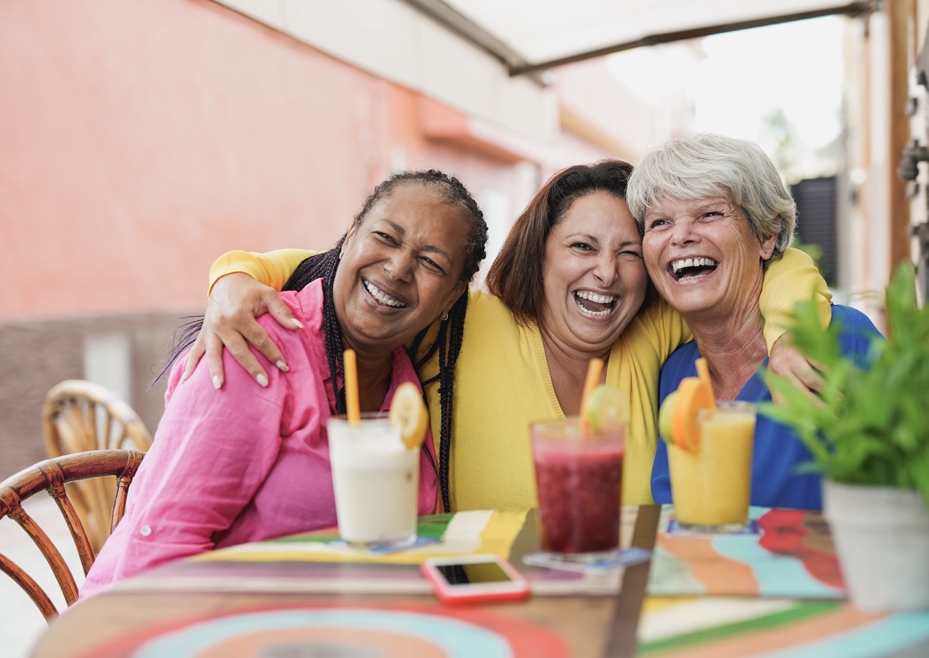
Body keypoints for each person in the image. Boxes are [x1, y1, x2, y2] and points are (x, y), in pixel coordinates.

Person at [190, 160, 831, 510]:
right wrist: (233, 276)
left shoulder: (652, 328)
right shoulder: (463, 320)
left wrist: (786, 336)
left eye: (629, 253)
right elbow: (358, 267)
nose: (605, 274)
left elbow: (780, 267)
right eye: (580, 246)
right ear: (539, 254)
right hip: (479, 610)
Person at [79, 170, 489, 598]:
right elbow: (159, 554)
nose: (399, 267)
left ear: (451, 298)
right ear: (349, 237)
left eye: (430, 262)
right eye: (386, 237)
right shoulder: (255, 347)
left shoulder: (408, 392)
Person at [626, 133, 881, 510]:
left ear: (767, 235)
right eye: (659, 222)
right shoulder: (672, 371)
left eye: (709, 213)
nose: (680, 236)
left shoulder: (843, 343)